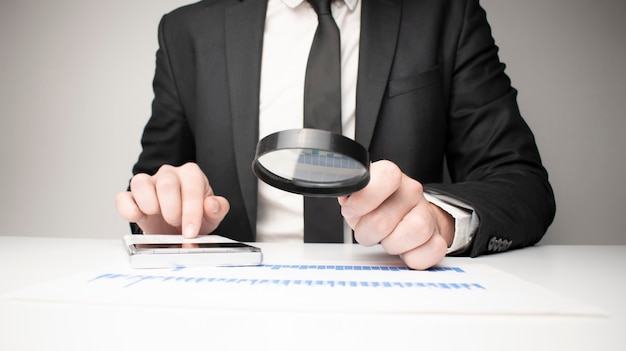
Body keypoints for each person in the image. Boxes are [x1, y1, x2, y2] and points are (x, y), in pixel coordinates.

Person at [115, 0, 556, 270]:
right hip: (236, 303)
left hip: (398, 295)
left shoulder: (446, 13)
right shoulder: (187, 31)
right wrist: (163, 218)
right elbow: (154, 180)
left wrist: (437, 220)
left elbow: (521, 184)